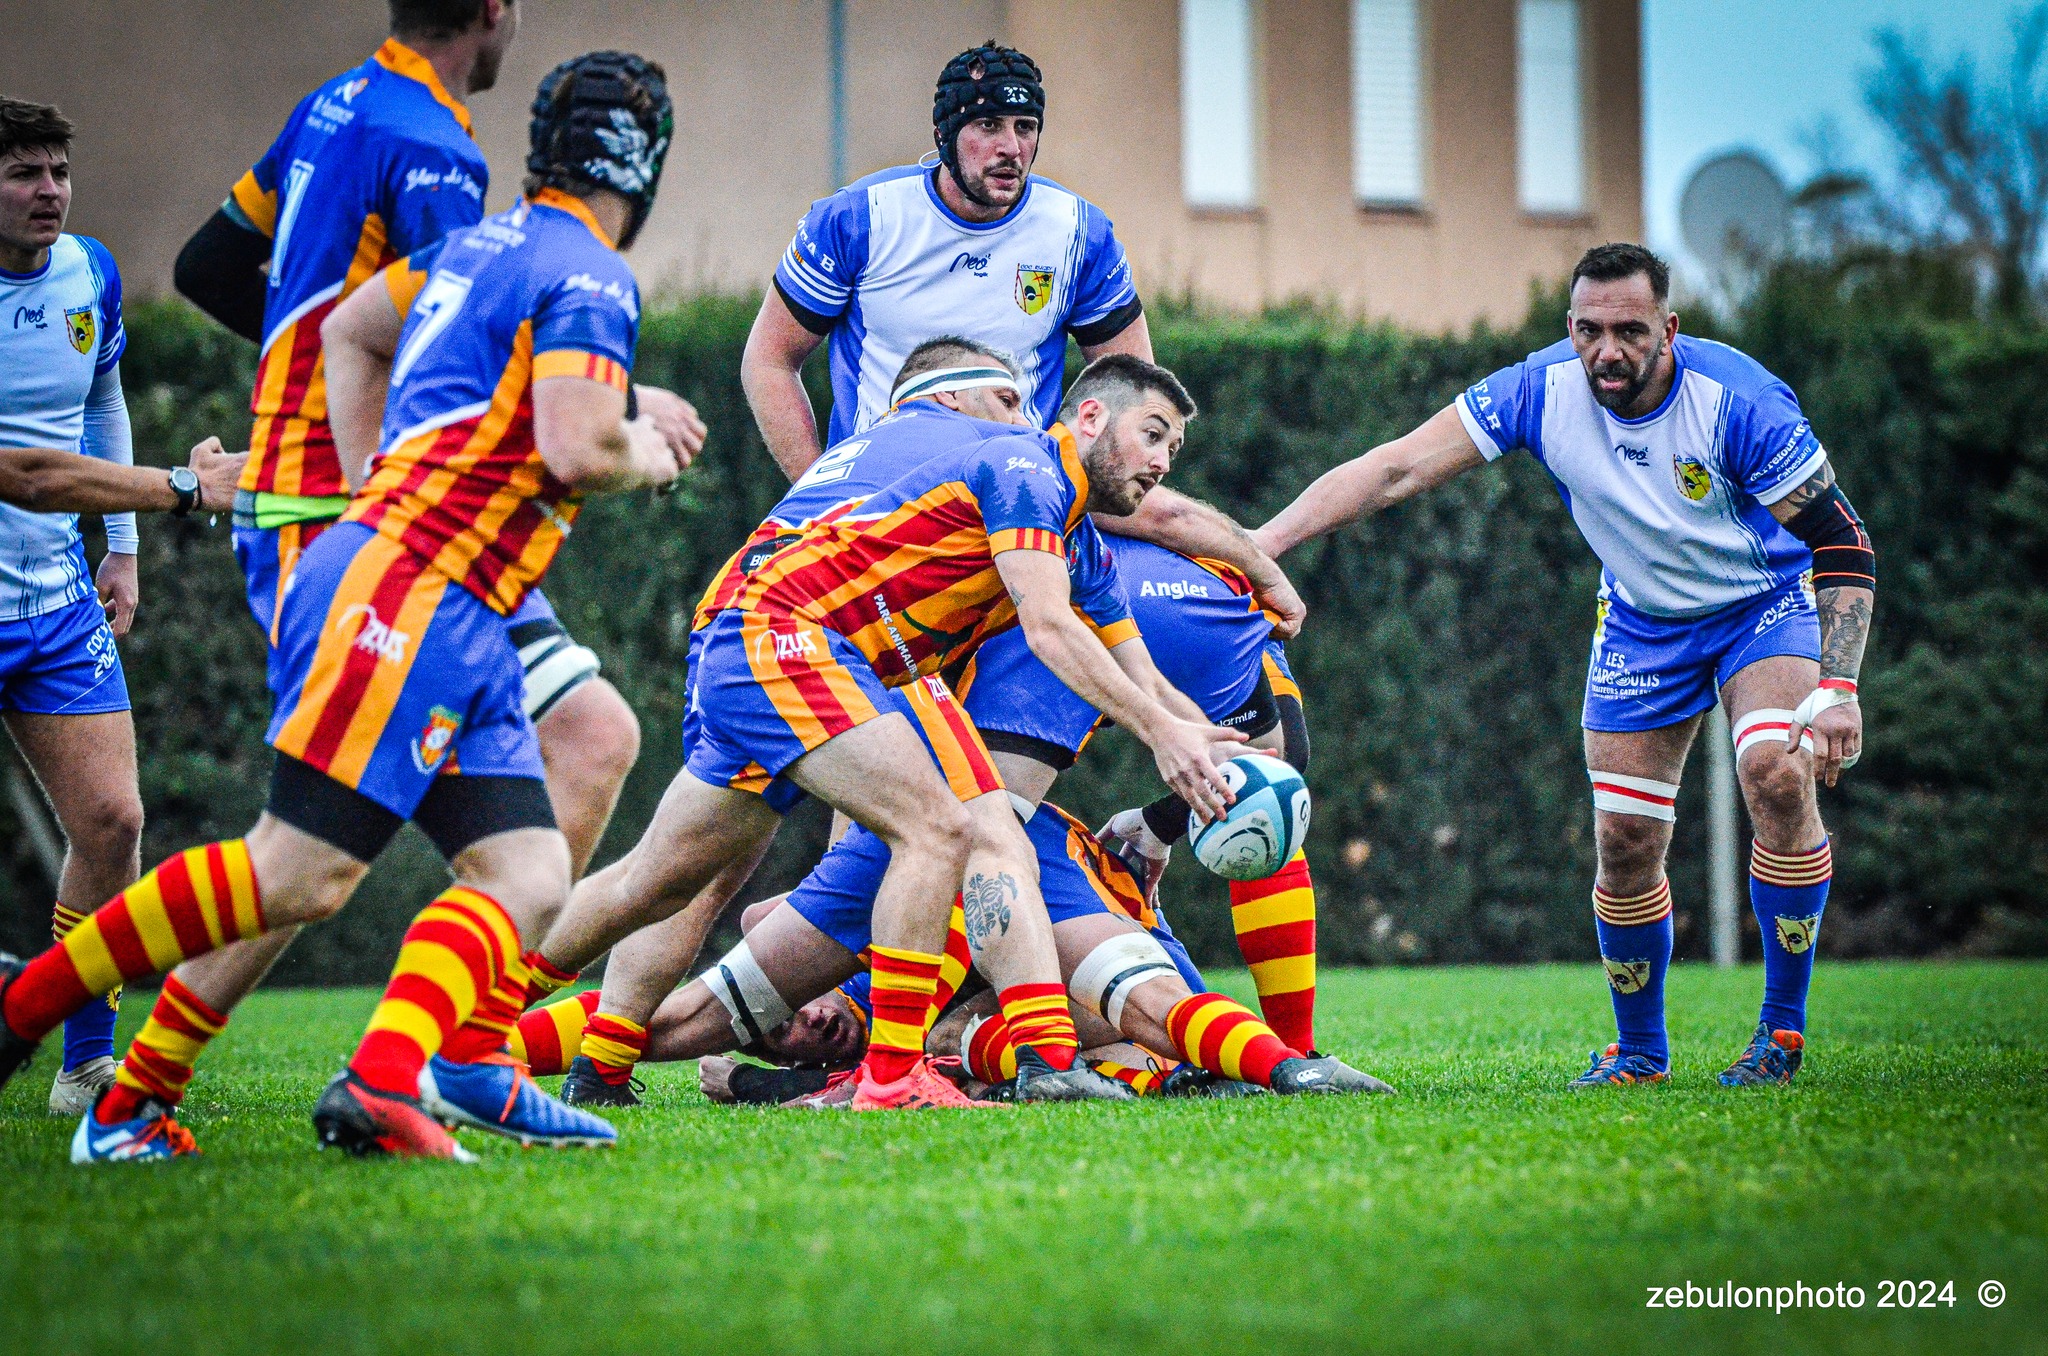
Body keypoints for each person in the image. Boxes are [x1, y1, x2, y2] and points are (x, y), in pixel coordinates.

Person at [0, 53, 695, 1162]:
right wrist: (644, 448)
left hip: (429, 590)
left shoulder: (480, 243)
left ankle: (394, 1082)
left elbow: (347, 329)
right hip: (410, 593)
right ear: (643, 162)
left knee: (523, 873)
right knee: (298, 870)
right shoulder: (595, 274)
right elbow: (576, 442)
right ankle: (57, 1042)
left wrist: (376, 490)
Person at [527, 353, 1242, 1113]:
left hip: (814, 648)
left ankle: (522, 1037)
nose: (1164, 463)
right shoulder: (1022, 463)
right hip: (792, 636)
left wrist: (1211, 745)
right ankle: (896, 1076)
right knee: (936, 828)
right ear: (1088, 417)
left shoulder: (1081, 542)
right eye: (1155, 435)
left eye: (1176, 449)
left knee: (658, 879)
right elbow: (1048, 627)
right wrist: (1168, 723)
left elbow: (1142, 674)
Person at [1253, 243, 1876, 1089]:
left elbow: (1842, 541)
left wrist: (1837, 687)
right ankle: (1641, 1055)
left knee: (1774, 773)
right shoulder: (1536, 390)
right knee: (1623, 840)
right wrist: (1260, 546)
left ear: (1670, 328)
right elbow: (1394, 466)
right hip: (1641, 623)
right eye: (1588, 330)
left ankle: (1782, 1031)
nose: (1607, 352)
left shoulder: (1741, 405)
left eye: (1629, 330)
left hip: (1758, 605)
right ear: (1569, 328)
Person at [173, 0, 644, 897]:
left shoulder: (335, 104)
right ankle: (80, 1016)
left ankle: (473, 1027)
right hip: (356, 516)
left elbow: (208, 267)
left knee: (587, 737)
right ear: (495, 11)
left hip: (338, 503)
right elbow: (440, 349)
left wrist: (286, 399)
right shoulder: (436, 148)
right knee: (313, 853)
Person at [740, 41, 1305, 640]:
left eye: (1025, 126)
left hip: (1019, 519)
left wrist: (1221, 546)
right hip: (881, 530)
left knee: (1195, 630)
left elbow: (1133, 410)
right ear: (944, 133)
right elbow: (770, 361)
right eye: (988, 125)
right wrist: (824, 495)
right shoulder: (859, 218)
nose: (1011, 148)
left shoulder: (1079, 235)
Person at [0, 96, 238, 1119]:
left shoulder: (89, 271)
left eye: (59, 170)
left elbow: (100, 402)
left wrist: (125, 549)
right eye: (24, 173)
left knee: (113, 820)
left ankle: (84, 1061)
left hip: (55, 603)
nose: (49, 189)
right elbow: (22, 471)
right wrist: (180, 492)